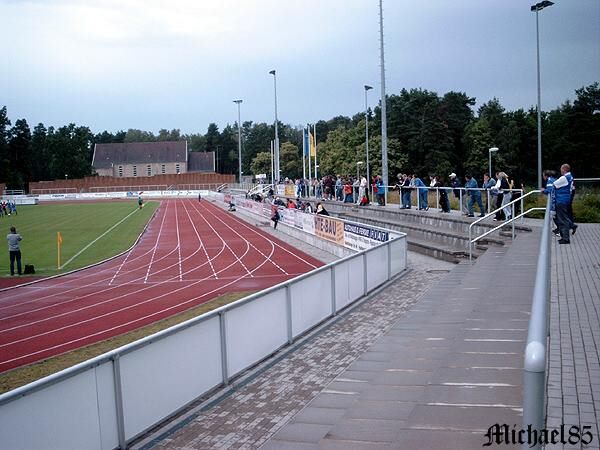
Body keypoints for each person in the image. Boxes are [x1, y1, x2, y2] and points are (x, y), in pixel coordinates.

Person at [552, 164, 574, 244]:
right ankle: (566, 235)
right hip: (565, 199)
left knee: (562, 220)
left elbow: (554, 184)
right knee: (564, 218)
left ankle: (565, 238)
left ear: (564, 169)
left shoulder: (564, 177)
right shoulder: (570, 176)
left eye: (561, 169)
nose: (560, 170)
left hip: (561, 200)